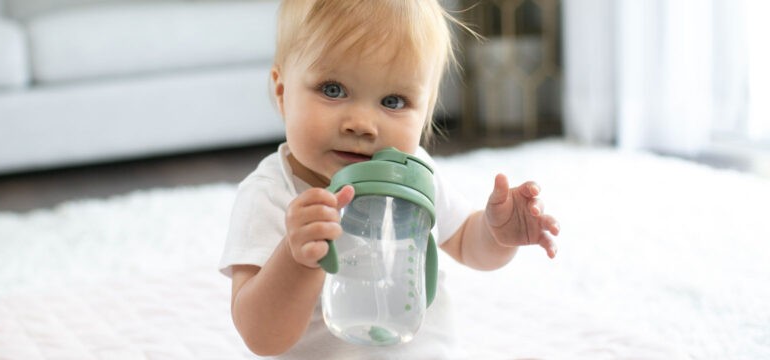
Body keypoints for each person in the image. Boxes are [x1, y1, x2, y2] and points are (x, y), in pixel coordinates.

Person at [219, 0, 561, 358]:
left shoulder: (412, 174)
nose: (362, 125)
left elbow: (465, 242)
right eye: (333, 90)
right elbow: (261, 337)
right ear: (282, 91)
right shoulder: (270, 195)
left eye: (393, 101)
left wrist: (495, 234)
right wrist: (295, 258)